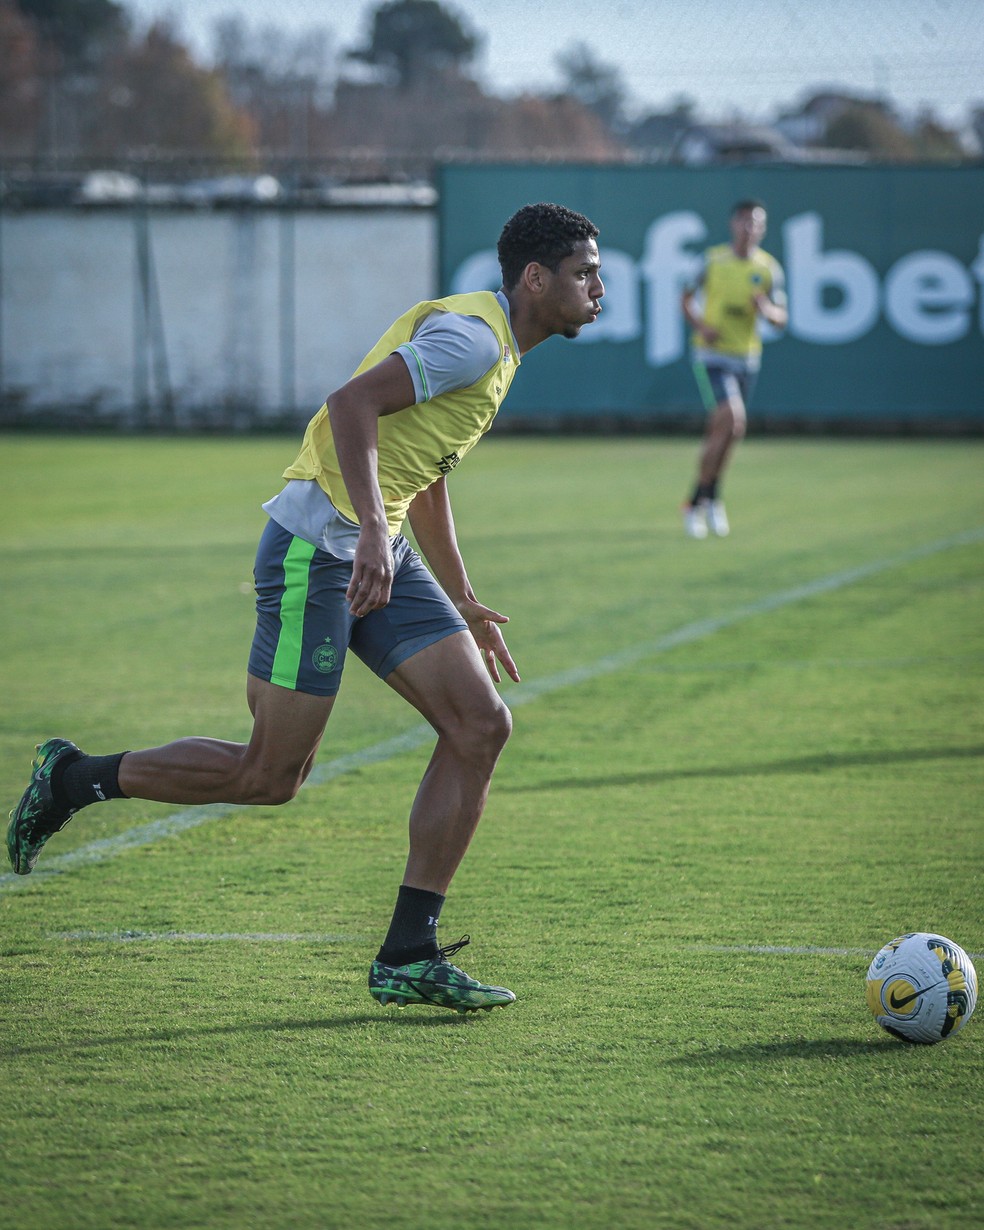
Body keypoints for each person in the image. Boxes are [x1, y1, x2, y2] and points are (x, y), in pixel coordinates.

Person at [7, 201, 604, 1014]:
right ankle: (74, 778)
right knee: (270, 776)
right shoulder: (472, 339)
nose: (597, 286)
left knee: (480, 725)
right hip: (317, 550)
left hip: (371, 548)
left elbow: (421, 467)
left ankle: (408, 953)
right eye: (583, 273)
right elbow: (350, 405)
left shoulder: (496, 348)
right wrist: (364, 533)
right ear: (536, 279)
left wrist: (459, 593)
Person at [680, 198, 787, 539]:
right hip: (712, 357)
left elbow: (781, 318)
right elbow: (684, 298)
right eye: (743, 221)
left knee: (728, 432)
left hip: (747, 358)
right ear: (733, 224)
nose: (749, 228)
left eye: (756, 222)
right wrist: (701, 326)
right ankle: (703, 502)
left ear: (763, 229)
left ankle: (703, 498)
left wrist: (767, 308)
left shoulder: (769, 269)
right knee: (734, 418)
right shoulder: (712, 261)